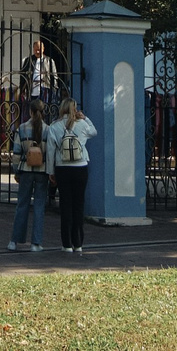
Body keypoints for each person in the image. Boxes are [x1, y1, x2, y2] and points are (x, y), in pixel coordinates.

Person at [48, 96, 97, 255]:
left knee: (65, 205)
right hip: (80, 167)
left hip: (62, 168)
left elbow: (50, 152)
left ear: (61, 109)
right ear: (74, 109)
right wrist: (86, 118)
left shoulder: (54, 126)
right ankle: (78, 243)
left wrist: (51, 171)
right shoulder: (81, 124)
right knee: (78, 205)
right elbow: (94, 132)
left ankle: (66, 244)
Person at [7, 96, 51, 252]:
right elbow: (50, 153)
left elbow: (17, 152)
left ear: (30, 111)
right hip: (42, 171)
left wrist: (16, 170)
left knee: (22, 205)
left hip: (25, 169)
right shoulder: (48, 129)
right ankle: (36, 243)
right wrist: (51, 171)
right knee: (39, 206)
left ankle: (14, 240)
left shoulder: (22, 128)